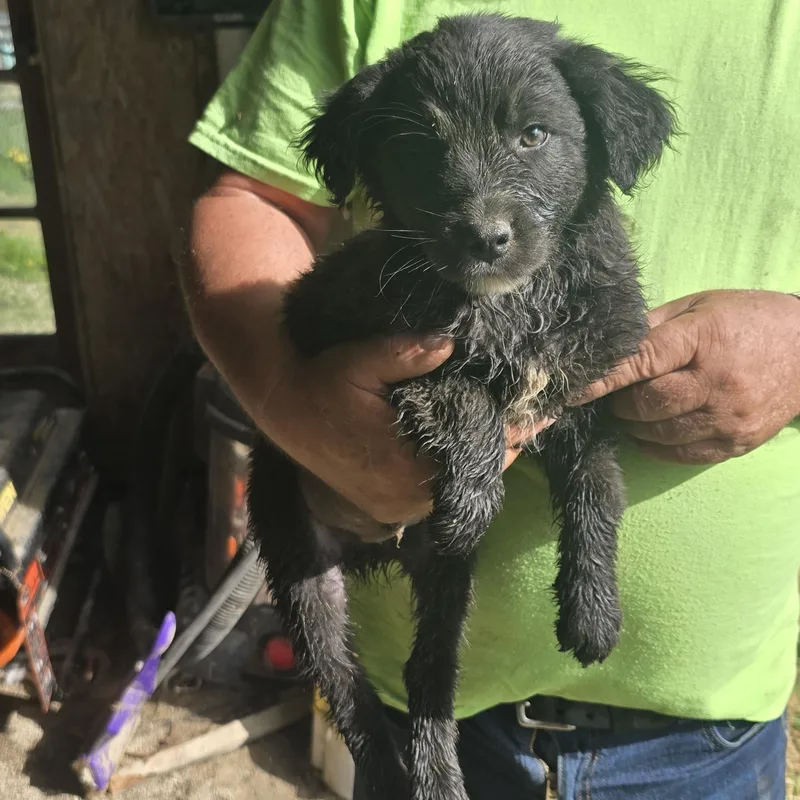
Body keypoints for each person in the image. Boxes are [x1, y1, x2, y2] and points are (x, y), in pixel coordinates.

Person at [181, 1, 800, 797]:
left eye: (531, 137)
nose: (483, 211)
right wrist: (296, 412)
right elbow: (250, 200)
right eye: (428, 148)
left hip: (709, 726)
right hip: (418, 705)